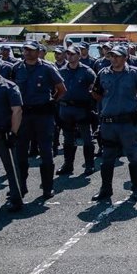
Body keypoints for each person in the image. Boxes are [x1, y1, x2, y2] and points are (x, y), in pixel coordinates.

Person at [91, 46, 137, 202]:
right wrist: (109, 105)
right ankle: (106, 189)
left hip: (127, 124)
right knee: (107, 158)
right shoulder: (103, 73)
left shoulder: (134, 73)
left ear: (126, 57)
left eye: (118, 56)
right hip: (108, 124)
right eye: (112, 56)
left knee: (133, 156)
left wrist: (132, 105)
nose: (114, 59)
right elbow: (96, 93)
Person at [12, 41, 67, 199]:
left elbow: (62, 89)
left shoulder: (47, 68)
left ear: (38, 52)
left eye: (31, 50)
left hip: (43, 115)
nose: (28, 53)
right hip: (24, 115)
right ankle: (20, 187)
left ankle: (47, 188)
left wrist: (52, 102)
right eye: (26, 50)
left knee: (46, 152)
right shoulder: (17, 68)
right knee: (21, 153)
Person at [56, 46, 97, 177]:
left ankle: (89, 165)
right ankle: (68, 165)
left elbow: (95, 90)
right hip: (66, 109)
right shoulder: (61, 71)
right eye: (68, 54)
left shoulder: (87, 71)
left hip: (82, 109)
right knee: (68, 139)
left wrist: (92, 107)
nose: (70, 56)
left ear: (79, 56)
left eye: (73, 54)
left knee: (87, 138)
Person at [0, 57, 23, 212]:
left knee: (10, 169)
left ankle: (16, 199)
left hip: (3, 133)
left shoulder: (8, 86)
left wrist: (13, 132)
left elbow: (17, 111)